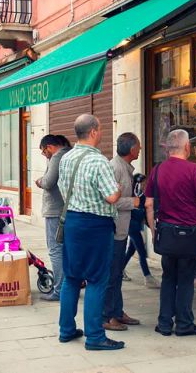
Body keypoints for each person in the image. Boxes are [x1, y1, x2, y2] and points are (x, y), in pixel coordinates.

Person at [58, 114, 124, 351]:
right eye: (102, 128)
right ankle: (95, 336)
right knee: (97, 279)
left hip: (72, 222)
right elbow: (111, 196)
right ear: (94, 131)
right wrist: (118, 189)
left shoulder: (66, 158)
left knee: (72, 277)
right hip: (96, 225)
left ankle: (66, 330)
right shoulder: (98, 162)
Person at [145, 129, 196, 337]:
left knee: (168, 277)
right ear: (187, 147)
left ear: (167, 149)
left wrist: (154, 229)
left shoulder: (157, 170)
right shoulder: (194, 170)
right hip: (190, 234)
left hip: (167, 232)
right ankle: (184, 323)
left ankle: (164, 323)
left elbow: (149, 204)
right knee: (185, 279)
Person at [103, 133, 142, 331]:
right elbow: (109, 200)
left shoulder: (124, 167)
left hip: (122, 228)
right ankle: (108, 316)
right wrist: (132, 202)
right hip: (115, 229)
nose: (141, 149)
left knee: (117, 273)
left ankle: (117, 311)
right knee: (112, 274)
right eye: (139, 146)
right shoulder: (115, 168)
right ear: (132, 150)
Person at [34, 134, 71, 302]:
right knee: (65, 249)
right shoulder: (69, 154)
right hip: (66, 209)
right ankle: (68, 286)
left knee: (55, 249)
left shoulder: (57, 157)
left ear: (49, 147)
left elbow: (48, 182)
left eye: (43, 151)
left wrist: (40, 181)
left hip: (55, 210)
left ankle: (59, 290)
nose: (44, 155)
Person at [121, 173, 159, 288]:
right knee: (142, 252)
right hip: (132, 227)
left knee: (131, 250)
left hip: (136, 226)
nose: (145, 184)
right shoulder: (135, 195)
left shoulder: (142, 195)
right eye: (143, 182)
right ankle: (148, 277)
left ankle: (120, 270)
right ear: (138, 183)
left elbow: (145, 214)